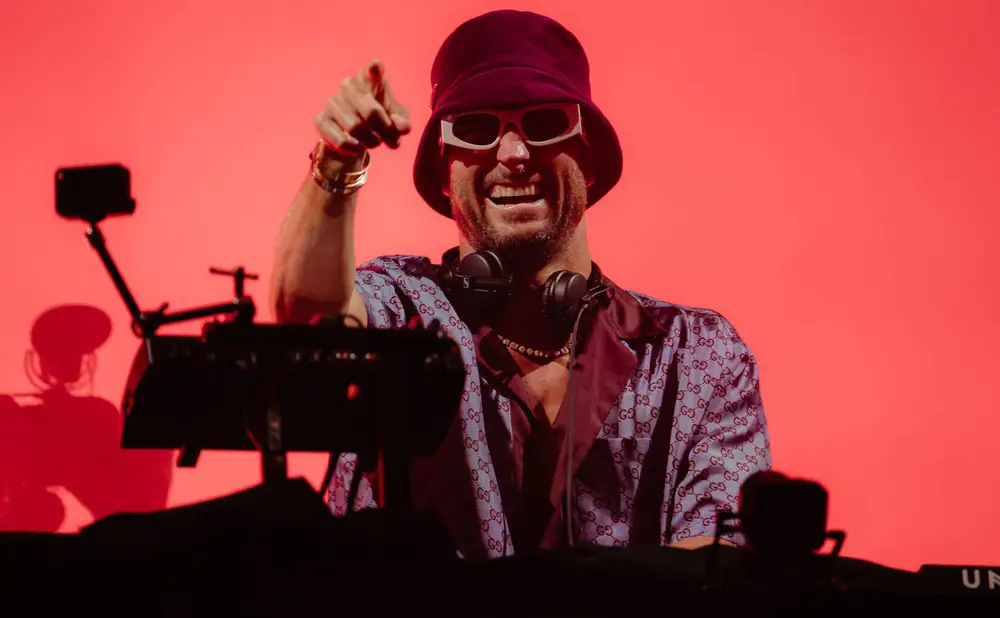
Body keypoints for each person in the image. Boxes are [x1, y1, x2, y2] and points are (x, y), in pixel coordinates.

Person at [271, 9, 771, 558]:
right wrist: (339, 160)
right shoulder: (405, 309)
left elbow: (724, 567)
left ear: (592, 161)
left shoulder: (700, 355)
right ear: (443, 171)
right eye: (478, 129)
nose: (512, 155)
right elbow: (307, 316)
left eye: (544, 123)